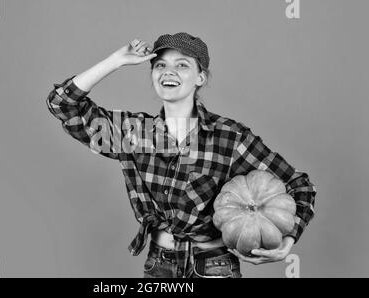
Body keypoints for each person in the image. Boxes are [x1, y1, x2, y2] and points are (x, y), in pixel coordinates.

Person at [46, 32, 317, 278]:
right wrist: (116, 61)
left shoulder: (230, 137)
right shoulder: (134, 134)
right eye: (160, 65)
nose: (168, 71)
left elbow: (300, 186)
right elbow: (63, 104)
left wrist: (288, 240)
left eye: (182, 65)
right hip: (159, 264)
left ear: (201, 78)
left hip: (214, 266)